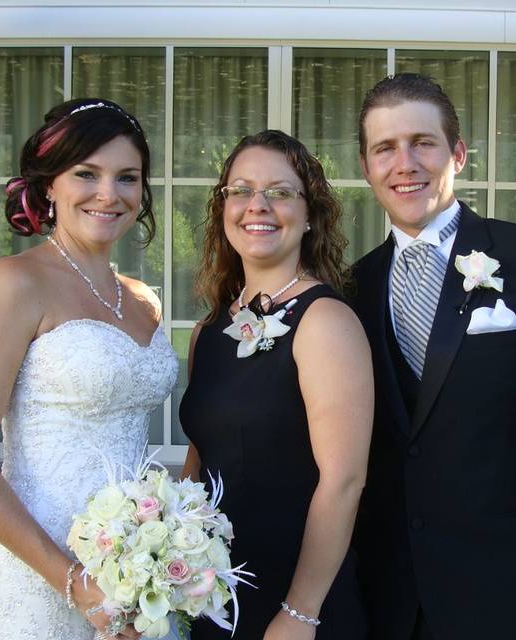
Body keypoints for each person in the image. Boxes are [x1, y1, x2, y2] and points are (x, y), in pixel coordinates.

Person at [349, 73, 516, 640]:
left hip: (507, 593)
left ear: (458, 154)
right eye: (385, 148)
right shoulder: (352, 288)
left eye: (423, 142)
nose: (406, 163)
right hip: (387, 596)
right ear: (367, 166)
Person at [0, 99, 179, 640]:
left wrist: (158, 552)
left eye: (127, 177)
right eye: (86, 174)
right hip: (38, 575)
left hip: (136, 575)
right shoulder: (14, 283)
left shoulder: (142, 301)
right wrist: (75, 582)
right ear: (49, 185)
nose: (108, 194)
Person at [180, 130, 373, 640]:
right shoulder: (210, 329)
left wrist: (300, 612)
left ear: (310, 215)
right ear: (223, 209)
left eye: (280, 192)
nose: (256, 205)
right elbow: (201, 459)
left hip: (294, 596)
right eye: (240, 190)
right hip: (213, 587)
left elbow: (345, 480)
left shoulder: (325, 320)